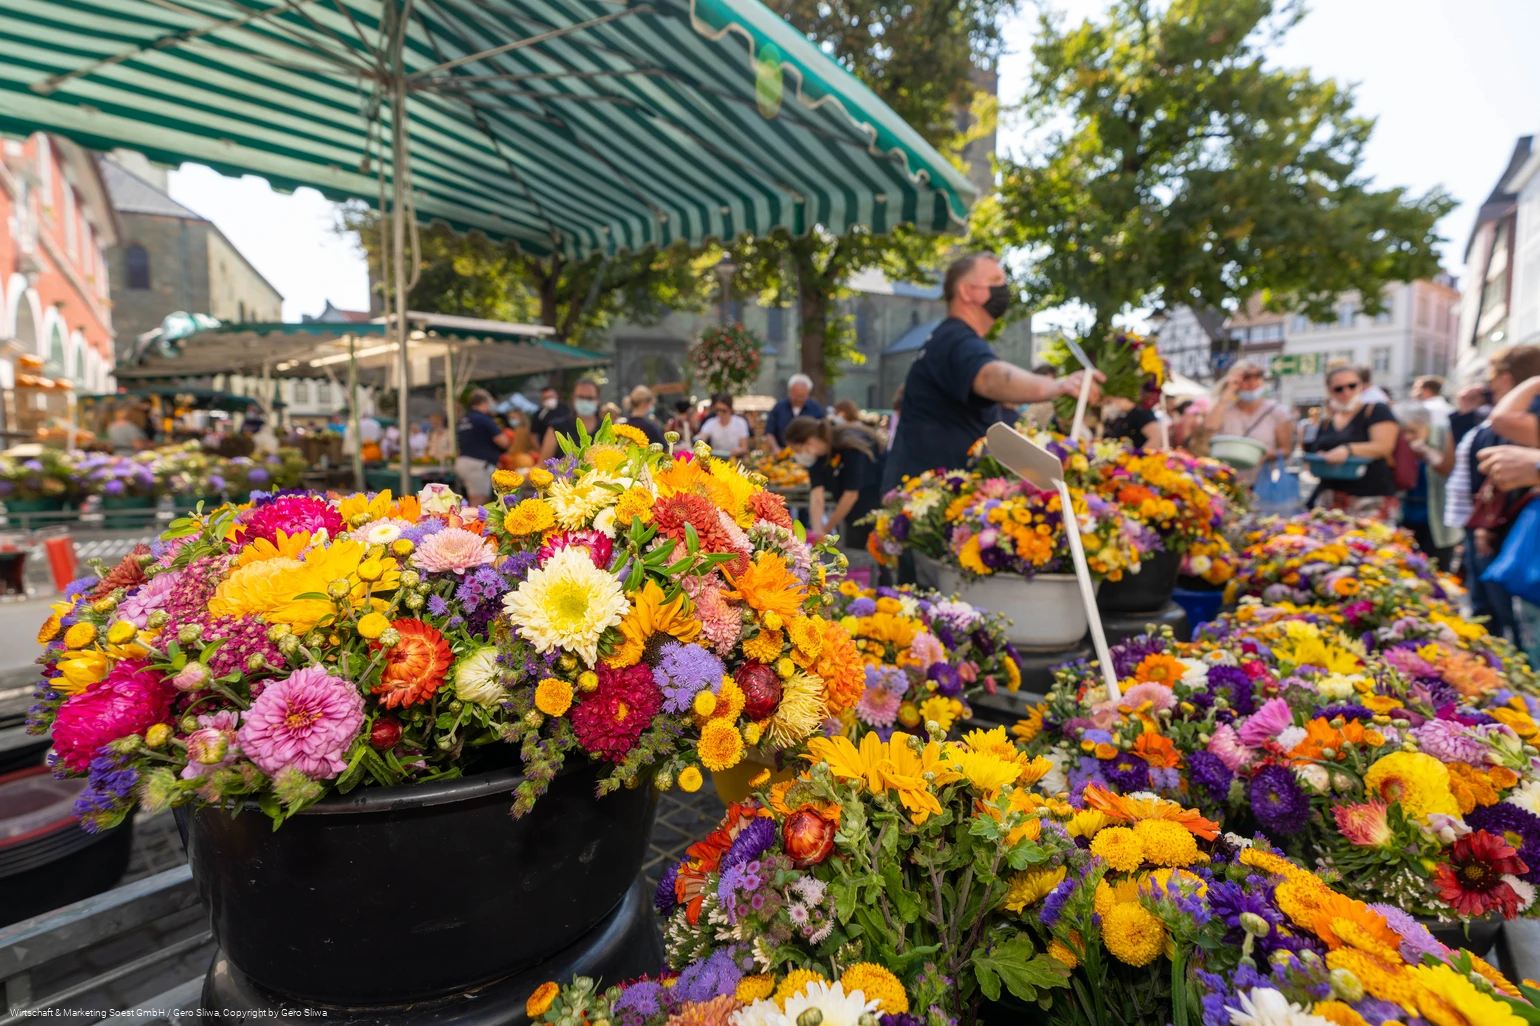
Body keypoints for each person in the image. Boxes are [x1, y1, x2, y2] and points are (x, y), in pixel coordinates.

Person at [882, 252, 1098, 494]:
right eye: (995, 282)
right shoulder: (955, 340)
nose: (1004, 289)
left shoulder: (946, 338)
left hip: (923, 489)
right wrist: (1057, 387)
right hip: (923, 499)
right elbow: (989, 377)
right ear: (966, 291)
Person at [1444, 346, 1540, 645]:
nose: (1488, 383)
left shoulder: (1524, 414)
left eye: (1492, 375)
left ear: (1506, 378)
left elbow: (1506, 474)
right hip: (1490, 525)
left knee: (1503, 616)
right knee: (1490, 609)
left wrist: (1488, 524)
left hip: (1501, 529)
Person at [1304, 364, 1400, 519]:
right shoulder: (1327, 422)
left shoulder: (1376, 410)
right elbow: (1315, 452)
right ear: (1330, 391)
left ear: (1361, 386)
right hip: (1331, 497)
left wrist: (1347, 449)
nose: (1346, 392)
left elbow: (1384, 446)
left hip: (1370, 497)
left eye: (1352, 385)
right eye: (1339, 388)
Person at [785, 415, 884, 551]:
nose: (798, 455)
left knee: (874, 555)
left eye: (797, 450)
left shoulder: (850, 446)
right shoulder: (818, 458)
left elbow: (851, 495)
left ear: (810, 442)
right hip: (852, 514)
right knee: (854, 550)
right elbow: (816, 496)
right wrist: (817, 531)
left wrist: (827, 528)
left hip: (875, 506)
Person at [1203, 360, 1294, 485]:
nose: (1252, 384)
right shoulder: (1225, 410)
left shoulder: (1277, 413)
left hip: (1263, 484)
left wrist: (1266, 454)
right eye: (1246, 378)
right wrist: (1227, 392)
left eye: (1257, 377)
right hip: (1227, 482)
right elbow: (1209, 427)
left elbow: (1286, 450)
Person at [1396, 401, 1458, 569]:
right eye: (1404, 432)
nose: (1408, 437)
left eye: (1413, 431)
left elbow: (1446, 468)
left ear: (1426, 425)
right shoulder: (1400, 442)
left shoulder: (1443, 434)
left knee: (1437, 569)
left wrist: (1425, 450)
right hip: (1408, 515)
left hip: (1438, 519)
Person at [456, 389, 511, 504]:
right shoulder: (484, 419)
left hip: (463, 462)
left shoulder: (464, 420)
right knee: (479, 504)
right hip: (478, 465)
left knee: (475, 500)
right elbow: (503, 441)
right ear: (484, 403)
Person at [539, 379, 602, 460]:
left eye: (590, 398)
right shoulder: (556, 428)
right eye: (581, 397)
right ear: (573, 398)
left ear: (598, 400)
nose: (585, 401)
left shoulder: (610, 428)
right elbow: (543, 464)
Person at [764, 375, 825, 448]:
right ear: (789, 392)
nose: (799, 399)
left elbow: (823, 432)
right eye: (796, 395)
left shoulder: (816, 409)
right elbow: (769, 432)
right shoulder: (778, 408)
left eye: (802, 396)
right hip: (782, 452)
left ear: (808, 394)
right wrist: (775, 449)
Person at [696, 393, 751, 457]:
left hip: (734, 459)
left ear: (730, 409)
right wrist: (698, 440)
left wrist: (737, 451)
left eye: (723, 411)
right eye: (717, 410)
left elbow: (744, 447)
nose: (720, 413)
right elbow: (702, 436)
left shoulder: (740, 423)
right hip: (716, 459)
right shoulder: (711, 422)